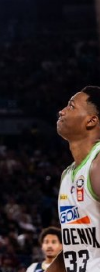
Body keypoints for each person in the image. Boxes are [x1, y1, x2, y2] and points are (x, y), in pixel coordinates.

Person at [46, 86, 100, 271]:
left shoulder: (98, 163)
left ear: (91, 120)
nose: (62, 111)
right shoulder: (67, 175)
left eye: (71, 106)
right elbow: (74, 249)